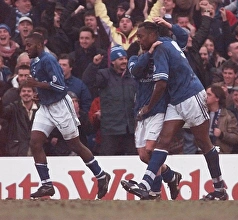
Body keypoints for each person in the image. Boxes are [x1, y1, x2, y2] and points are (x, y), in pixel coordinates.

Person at [121, 21, 228, 201]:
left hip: (191, 96)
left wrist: (148, 107)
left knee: (204, 143)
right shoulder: (169, 42)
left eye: (141, 36)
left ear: (153, 35)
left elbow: (161, 84)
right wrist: (169, 25)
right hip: (176, 100)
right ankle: (145, 185)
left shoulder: (161, 49)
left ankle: (219, 189)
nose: (138, 40)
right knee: (163, 142)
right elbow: (185, 37)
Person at [24, 32, 110, 199]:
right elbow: (45, 86)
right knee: (35, 142)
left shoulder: (48, 60)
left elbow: (60, 87)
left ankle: (101, 175)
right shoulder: (34, 62)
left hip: (61, 106)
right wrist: (39, 93)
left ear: (39, 45)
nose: (26, 48)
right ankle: (47, 184)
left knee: (75, 145)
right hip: (46, 107)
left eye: (29, 45)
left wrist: (36, 84)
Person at [83, 45, 137, 156]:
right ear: (112, 61)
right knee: (107, 160)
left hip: (130, 128)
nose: (124, 61)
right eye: (120, 59)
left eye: (125, 58)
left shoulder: (132, 76)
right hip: (110, 129)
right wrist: (94, 65)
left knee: (134, 159)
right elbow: (88, 81)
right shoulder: (104, 75)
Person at [0, 83, 38, 156]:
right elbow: (2, 113)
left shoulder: (40, 109)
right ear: (20, 94)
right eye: (23, 91)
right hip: (17, 151)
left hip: (36, 151)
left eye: (29, 91)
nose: (26, 93)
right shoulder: (13, 108)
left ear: (34, 94)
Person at [206, 85, 238, 153]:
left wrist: (222, 135)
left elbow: (235, 138)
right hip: (203, 152)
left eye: (209, 94)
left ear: (217, 98)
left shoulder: (228, 116)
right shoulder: (202, 115)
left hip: (222, 153)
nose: (205, 97)